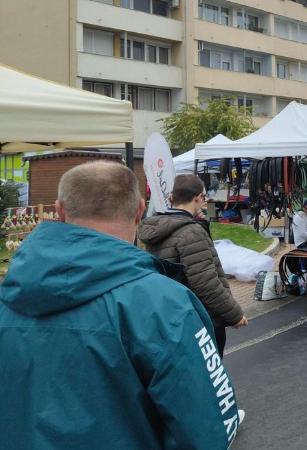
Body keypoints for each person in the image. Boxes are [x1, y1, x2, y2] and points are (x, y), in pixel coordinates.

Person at [0, 161, 243, 448]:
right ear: (140, 209)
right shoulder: (166, 304)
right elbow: (205, 427)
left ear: (60, 210)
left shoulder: (8, 297)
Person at [139, 174, 248, 357]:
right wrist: (234, 315)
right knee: (208, 379)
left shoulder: (157, 227)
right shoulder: (190, 232)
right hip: (199, 319)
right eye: (204, 197)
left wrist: (201, 223)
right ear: (197, 197)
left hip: (172, 316)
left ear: (171, 198)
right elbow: (206, 283)